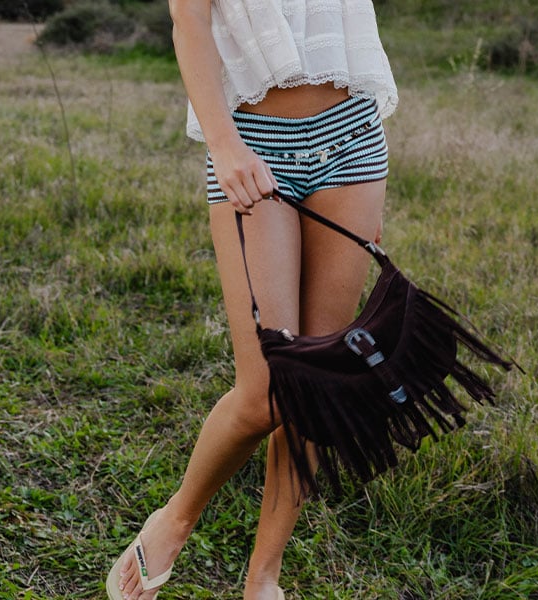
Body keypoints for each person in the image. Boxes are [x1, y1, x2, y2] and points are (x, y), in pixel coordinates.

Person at [105, 0, 398, 599]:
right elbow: (189, 21)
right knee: (266, 391)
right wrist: (223, 144)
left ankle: (264, 576)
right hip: (253, 141)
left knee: (317, 382)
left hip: (353, 138)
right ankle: (176, 518)